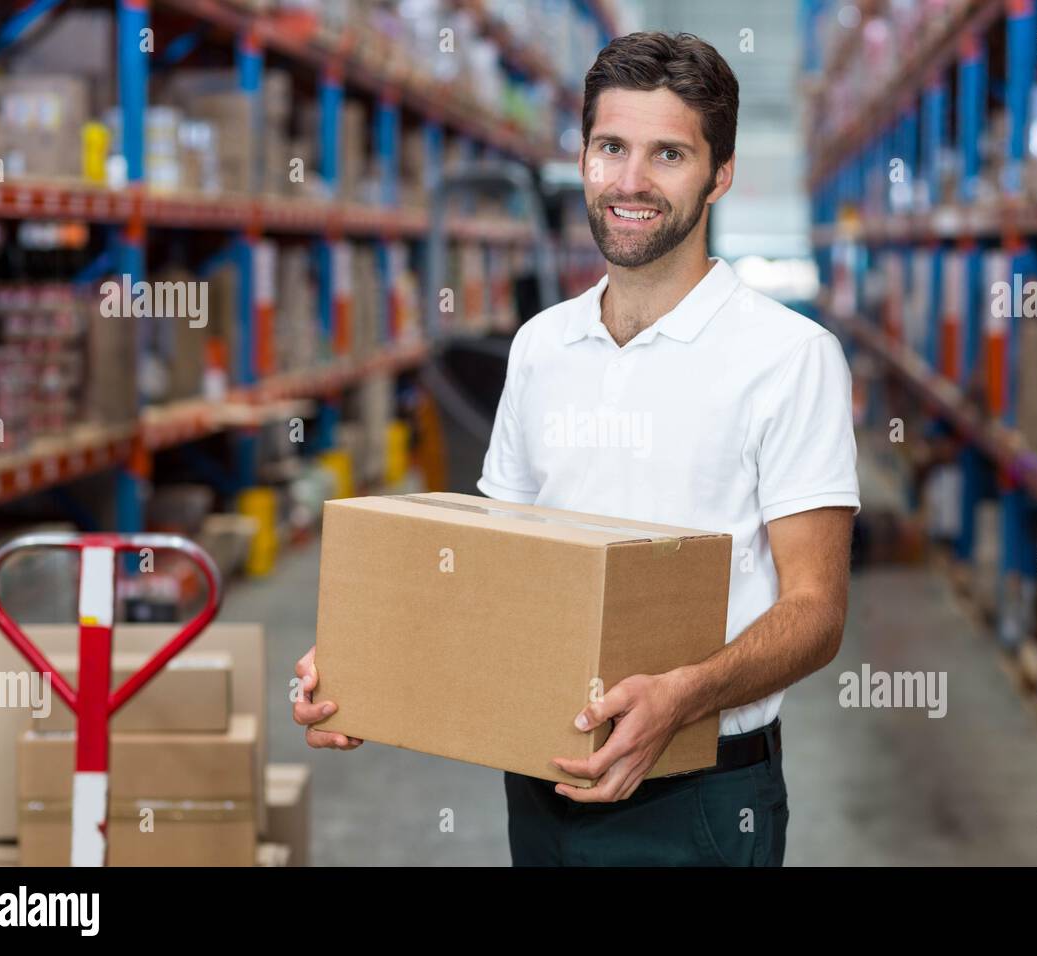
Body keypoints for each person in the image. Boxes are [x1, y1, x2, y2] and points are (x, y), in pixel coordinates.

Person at [293, 31, 859, 867]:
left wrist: (683, 695)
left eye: (668, 153)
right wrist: (369, 663)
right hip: (542, 775)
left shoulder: (787, 357)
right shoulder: (541, 347)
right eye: (611, 148)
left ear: (721, 174)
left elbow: (817, 612)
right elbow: (493, 564)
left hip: (699, 796)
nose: (631, 182)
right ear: (585, 157)